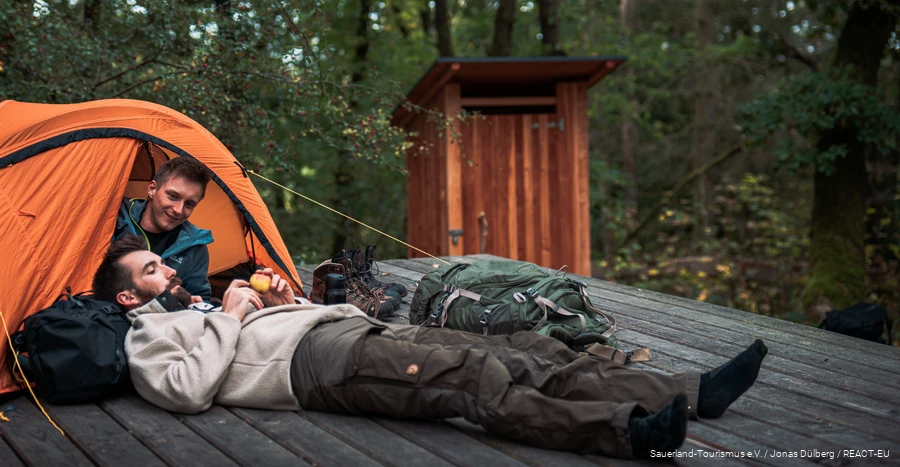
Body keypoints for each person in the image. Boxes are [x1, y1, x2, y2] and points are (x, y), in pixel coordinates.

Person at [94, 235, 769, 459]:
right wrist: (230, 316)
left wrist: (277, 302)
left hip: (350, 333)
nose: (171, 270)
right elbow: (186, 390)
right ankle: (628, 432)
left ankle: (689, 391)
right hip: (323, 367)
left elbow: (264, 324)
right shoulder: (147, 335)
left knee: (524, 346)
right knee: (474, 377)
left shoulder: (199, 305)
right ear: (128, 296)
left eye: (163, 264)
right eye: (153, 269)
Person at [113, 156, 214, 302]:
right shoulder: (115, 216)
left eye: (189, 204)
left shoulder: (195, 248)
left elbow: (200, 298)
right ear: (152, 189)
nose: (178, 210)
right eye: (173, 196)